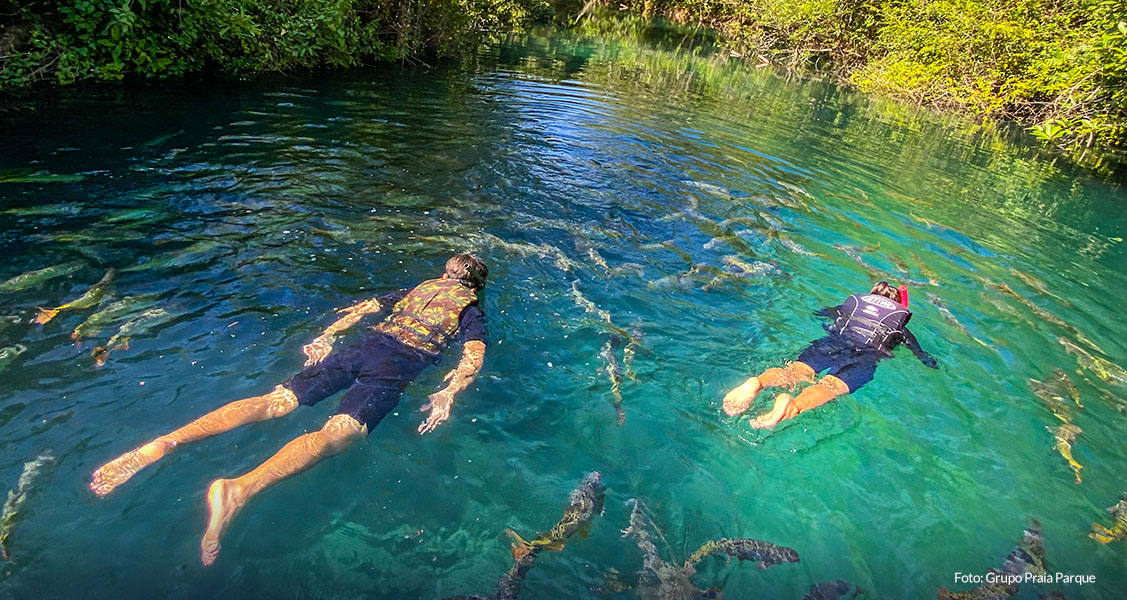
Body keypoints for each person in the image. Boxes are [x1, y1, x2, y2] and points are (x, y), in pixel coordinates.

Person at [90, 253, 490, 565]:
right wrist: (448, 393)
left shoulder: (412, 290)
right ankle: (239, 489)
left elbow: (363, 308)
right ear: (476, 286)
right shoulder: (471, 311)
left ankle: (169, 440)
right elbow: (472, 354)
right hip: (397, 366)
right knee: (339, 434)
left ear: (445, 274)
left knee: (275, 401)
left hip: (361, 347)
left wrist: (325, 336)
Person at [722, 281, 936, 428]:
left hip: (833, 341)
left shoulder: (852, 306)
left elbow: (825, 312)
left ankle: (757, 383)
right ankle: (793, 406)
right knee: (830, 386)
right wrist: (927, 360)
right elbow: (919, 353)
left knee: (797, 370)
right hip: (865, 354)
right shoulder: (901, 328)